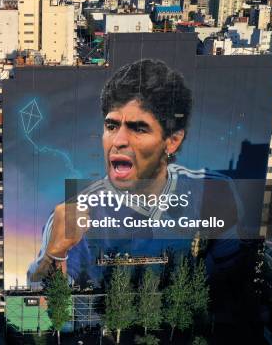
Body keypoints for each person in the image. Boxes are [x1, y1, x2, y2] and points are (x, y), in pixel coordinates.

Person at [28, 59, 244, 285]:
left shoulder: (214, 192)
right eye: (111, 126)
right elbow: (41, 308)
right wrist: (54, 255)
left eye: (138, 128)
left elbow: (232, 278)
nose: (118, 141)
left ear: (172, 141)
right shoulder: (75, 214)